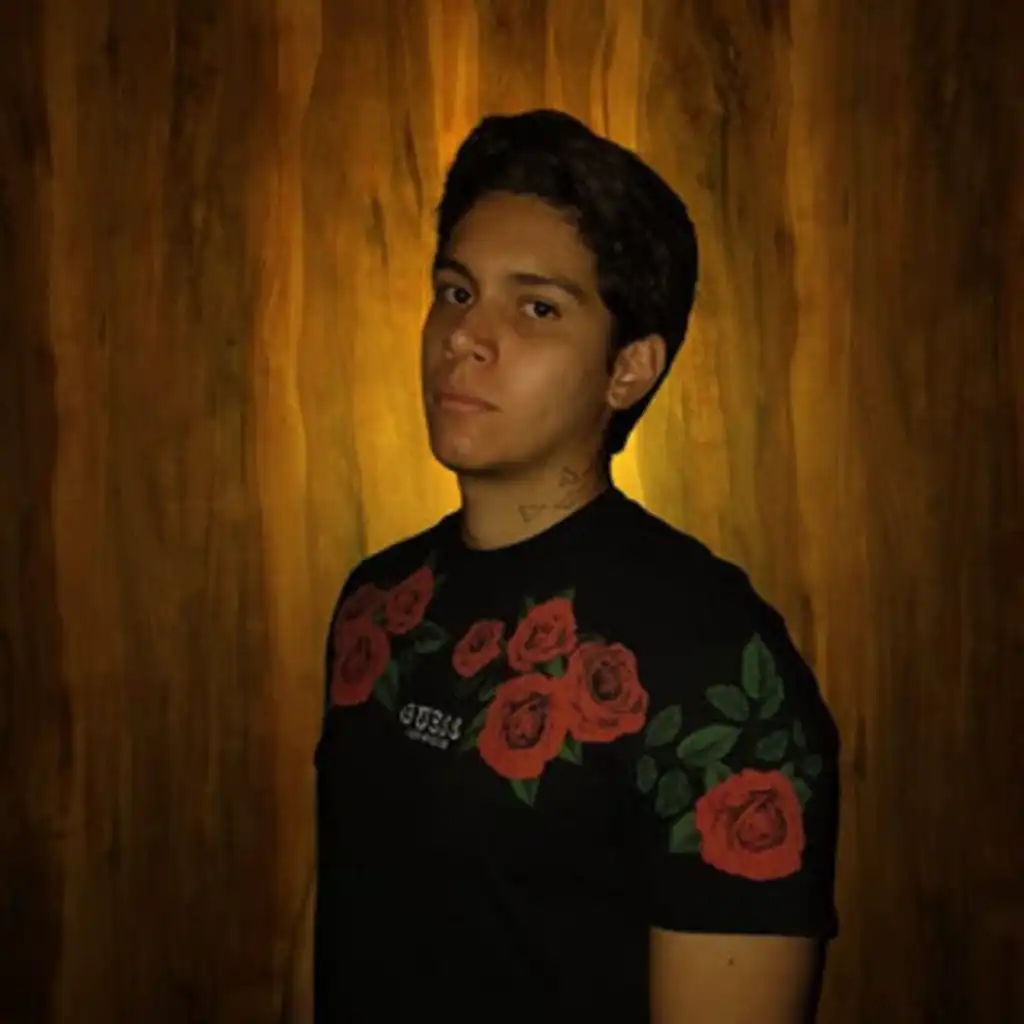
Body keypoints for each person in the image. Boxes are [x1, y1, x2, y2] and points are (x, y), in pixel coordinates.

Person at [314, 109, 840, 1023]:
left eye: (538, 308)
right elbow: (332, 926)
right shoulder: (378, 601)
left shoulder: (718, 662)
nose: (464, 336)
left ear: (628, 370)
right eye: (456, 291)